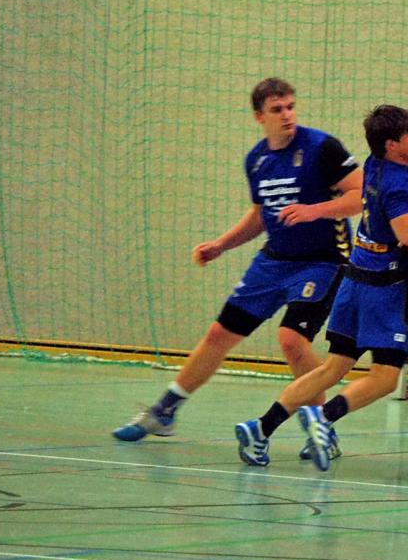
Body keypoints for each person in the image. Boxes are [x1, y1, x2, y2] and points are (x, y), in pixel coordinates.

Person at [112, 78, 362, 461]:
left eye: (290, 106)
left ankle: (321, 427)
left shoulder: (322, 148)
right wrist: (221, 245)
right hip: (273, 261)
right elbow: (261, 215)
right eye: (277, 109)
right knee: (219, 333)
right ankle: (165, 411)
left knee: (292, 340)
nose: (287, 115)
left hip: (323, 261)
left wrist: (314, 211)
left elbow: (361, 194)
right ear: (259, 117)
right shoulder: (257, 160)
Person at [233, 105, 408, 469]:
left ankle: (261, 428)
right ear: (392, 145)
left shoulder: (374, 163)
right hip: (385, 287)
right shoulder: (400, 184)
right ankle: (323, 418)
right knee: (386, 377)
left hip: (355, 278)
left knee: (332, 368)